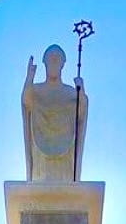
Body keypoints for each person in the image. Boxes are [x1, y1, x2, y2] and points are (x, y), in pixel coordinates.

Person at [21, 45, 88, 182]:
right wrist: (29, 79)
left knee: (65, 182)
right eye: (50, 59)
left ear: (63, 64)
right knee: (41, 182)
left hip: (66, 152)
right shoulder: (36, 90)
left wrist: (81, 94)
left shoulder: (71, 93)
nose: (53, 63)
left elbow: (80, 114)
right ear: (45, 62)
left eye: (57, 59)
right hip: (40, 149)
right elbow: (27, 103)